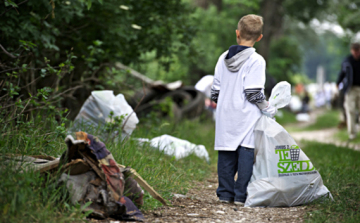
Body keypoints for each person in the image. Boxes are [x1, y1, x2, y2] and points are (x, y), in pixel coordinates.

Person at [210, 14, 277, 205]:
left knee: (226, 153)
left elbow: (215, 91)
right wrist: (267, 108)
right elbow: (253, 92)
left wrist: (223, 103)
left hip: (225, 115)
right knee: (246, 153)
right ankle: (241, 195)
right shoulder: (257, 60)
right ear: (259, 37)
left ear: (237, 34)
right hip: (247, 116)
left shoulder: (223, 58)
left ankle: (224, 193)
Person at [336, 43, 360, 140]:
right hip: (350, 89)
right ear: (351, 51)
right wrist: (338, 83)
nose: (356, 53)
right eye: (354, 51)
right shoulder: (347, 61)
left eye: (357, 51)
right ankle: (352, 133)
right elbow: (342, 73)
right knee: (350, 111)